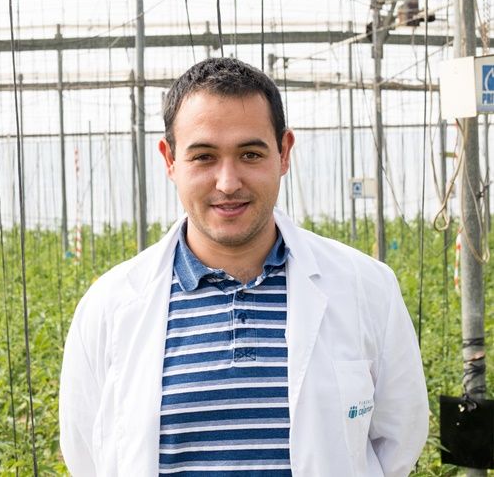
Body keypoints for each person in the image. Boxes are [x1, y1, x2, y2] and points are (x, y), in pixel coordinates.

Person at [59, 57, 429, 476]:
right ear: (170, 160)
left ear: (284, 153)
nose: (228, 182)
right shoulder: (110, 305)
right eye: (204, 157)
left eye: (250, 154)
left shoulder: (366, 288)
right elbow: (87, 453)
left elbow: (399, 440)